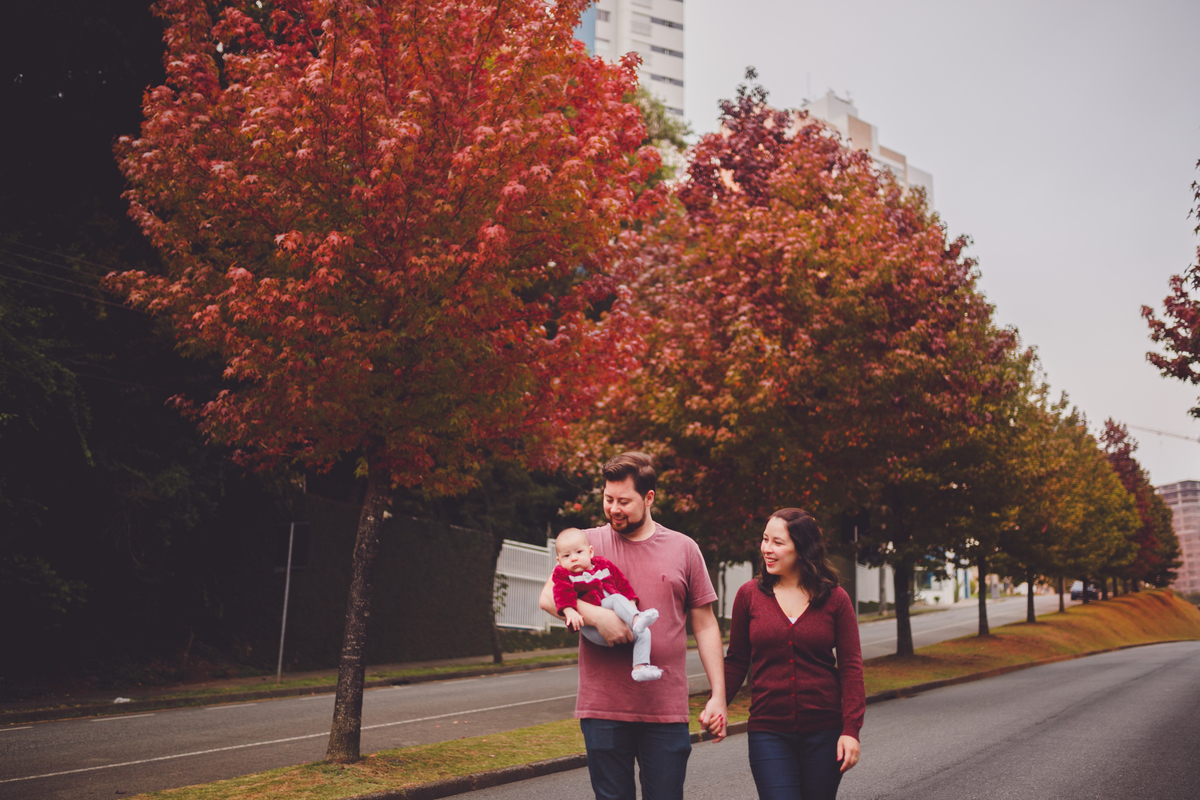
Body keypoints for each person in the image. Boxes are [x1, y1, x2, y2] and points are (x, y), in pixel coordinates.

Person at [539, 452, 728, 800]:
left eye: (624, 501)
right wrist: (599, 617)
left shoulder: (684, 549)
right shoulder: (585, 544)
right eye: (608, 499)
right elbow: (549, 598)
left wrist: (719, 694)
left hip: (665, 708)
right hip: (604, 708)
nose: (614, 509)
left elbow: (705, 625)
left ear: (649, 497)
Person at [701, 508, 865, 800]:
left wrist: (851, 730)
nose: (767, 549)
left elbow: (851, 668)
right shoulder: (749, 595)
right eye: (765, 539)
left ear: (802, 549)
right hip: (769, 731)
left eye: (778, 542)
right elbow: (737, 660)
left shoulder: (835, 599)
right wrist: (718, 701)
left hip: (825, 732)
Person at [552, 526, 662, 682]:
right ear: (559, 560)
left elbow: (623, 585)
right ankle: (636, 619)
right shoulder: (563, 574)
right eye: (566, 556)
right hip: (594, 627)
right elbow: (561, 593)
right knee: (616, 599)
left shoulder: (603, 565)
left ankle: (640, 667)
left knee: (644, 632)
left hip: (619, 615)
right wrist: (570, 611)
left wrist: (631, 604)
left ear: (590, 552)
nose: (574, 558)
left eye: (579, 552)